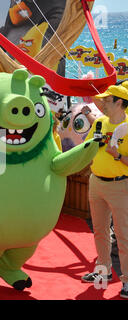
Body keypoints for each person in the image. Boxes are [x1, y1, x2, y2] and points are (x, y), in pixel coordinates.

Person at [82, 81, 128, 299]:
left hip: (120, 186)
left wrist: (117, 155)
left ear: (120, 102)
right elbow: (88, 147)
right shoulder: (99, 123)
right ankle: (103, 270)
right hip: (95, 182)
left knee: (123, 235)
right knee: (100, 230)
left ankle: (127, 280)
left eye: (108, 100)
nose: (103, 103)